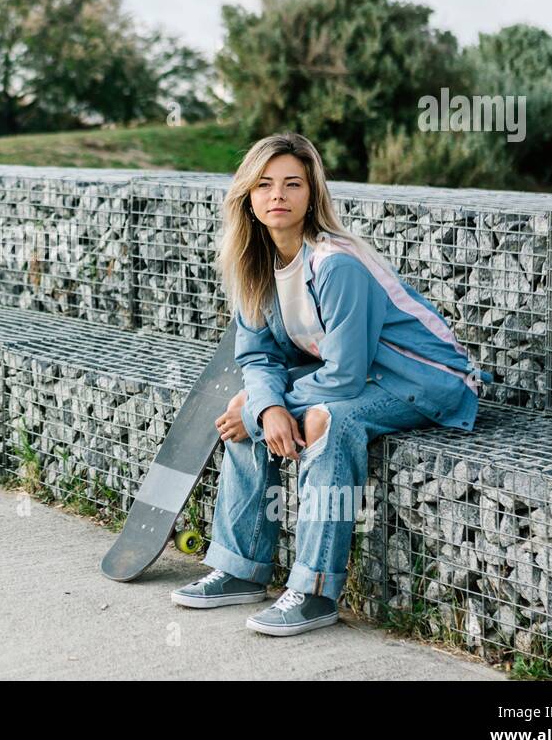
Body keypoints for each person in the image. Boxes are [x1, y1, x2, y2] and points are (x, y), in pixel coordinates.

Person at [170, 132, 493, 636]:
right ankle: (240, 568)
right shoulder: (253, 267)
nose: (278, 195)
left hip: (427, 381)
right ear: (248, 197)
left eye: (293, 184)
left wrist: (276, 407)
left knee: (325, 419)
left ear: (312, 195)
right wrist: (262, 406)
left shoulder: (335, 263)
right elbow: (256, 356)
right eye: (265, 184)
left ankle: (316, 591)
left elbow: (341, 379)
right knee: (244, 405)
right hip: (360, 374)